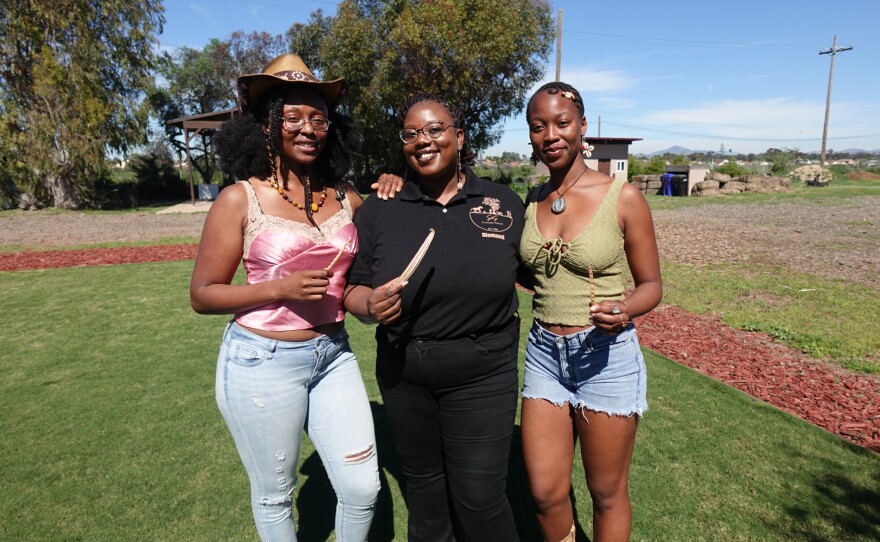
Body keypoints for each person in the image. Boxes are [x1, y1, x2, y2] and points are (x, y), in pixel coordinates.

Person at [190, 53, 387, 542]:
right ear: (266, 124)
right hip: (262, 360)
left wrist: (394, 186)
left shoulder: (345, 195)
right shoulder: (241, 198)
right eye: (292, 117)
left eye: (319, 118)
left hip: (333, 355)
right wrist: (278, 288)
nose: (308, 128)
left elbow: (375, 253)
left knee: (362, 488)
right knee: (275, 493)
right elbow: (202, 294)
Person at [343, 93, 525, 541]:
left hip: (483, 371)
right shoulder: (381, 208)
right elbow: (353, 287)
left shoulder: (503, 203)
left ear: (459, 137)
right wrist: (368, 306)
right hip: (405, 374)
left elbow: (539, 272)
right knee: (424, 496)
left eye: (435, 129)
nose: (422, 140)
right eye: (411, 133)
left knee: (480, 497)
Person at [519, 82, 662, 542]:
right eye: (538, 126)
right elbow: (526, 273)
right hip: (544, 354)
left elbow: (652, 286)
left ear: (583, 128)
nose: (551, 134)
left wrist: (623, 309)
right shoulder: (532, 198)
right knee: (544, 491)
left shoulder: (623, 197)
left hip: (606, 356)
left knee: (606, 492)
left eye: (562, 123)